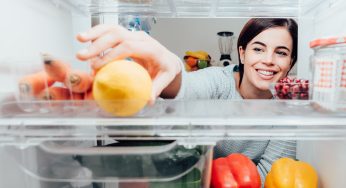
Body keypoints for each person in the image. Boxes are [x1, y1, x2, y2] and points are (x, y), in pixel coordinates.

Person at [76, 18, 298, 185]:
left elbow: (272, 174)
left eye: (281, 53)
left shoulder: (288, 107)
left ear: (291, 62)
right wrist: (171, 70)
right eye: (258, 49)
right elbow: (187, 89)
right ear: (242, 53)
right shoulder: (218, 81)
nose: (268, 60)